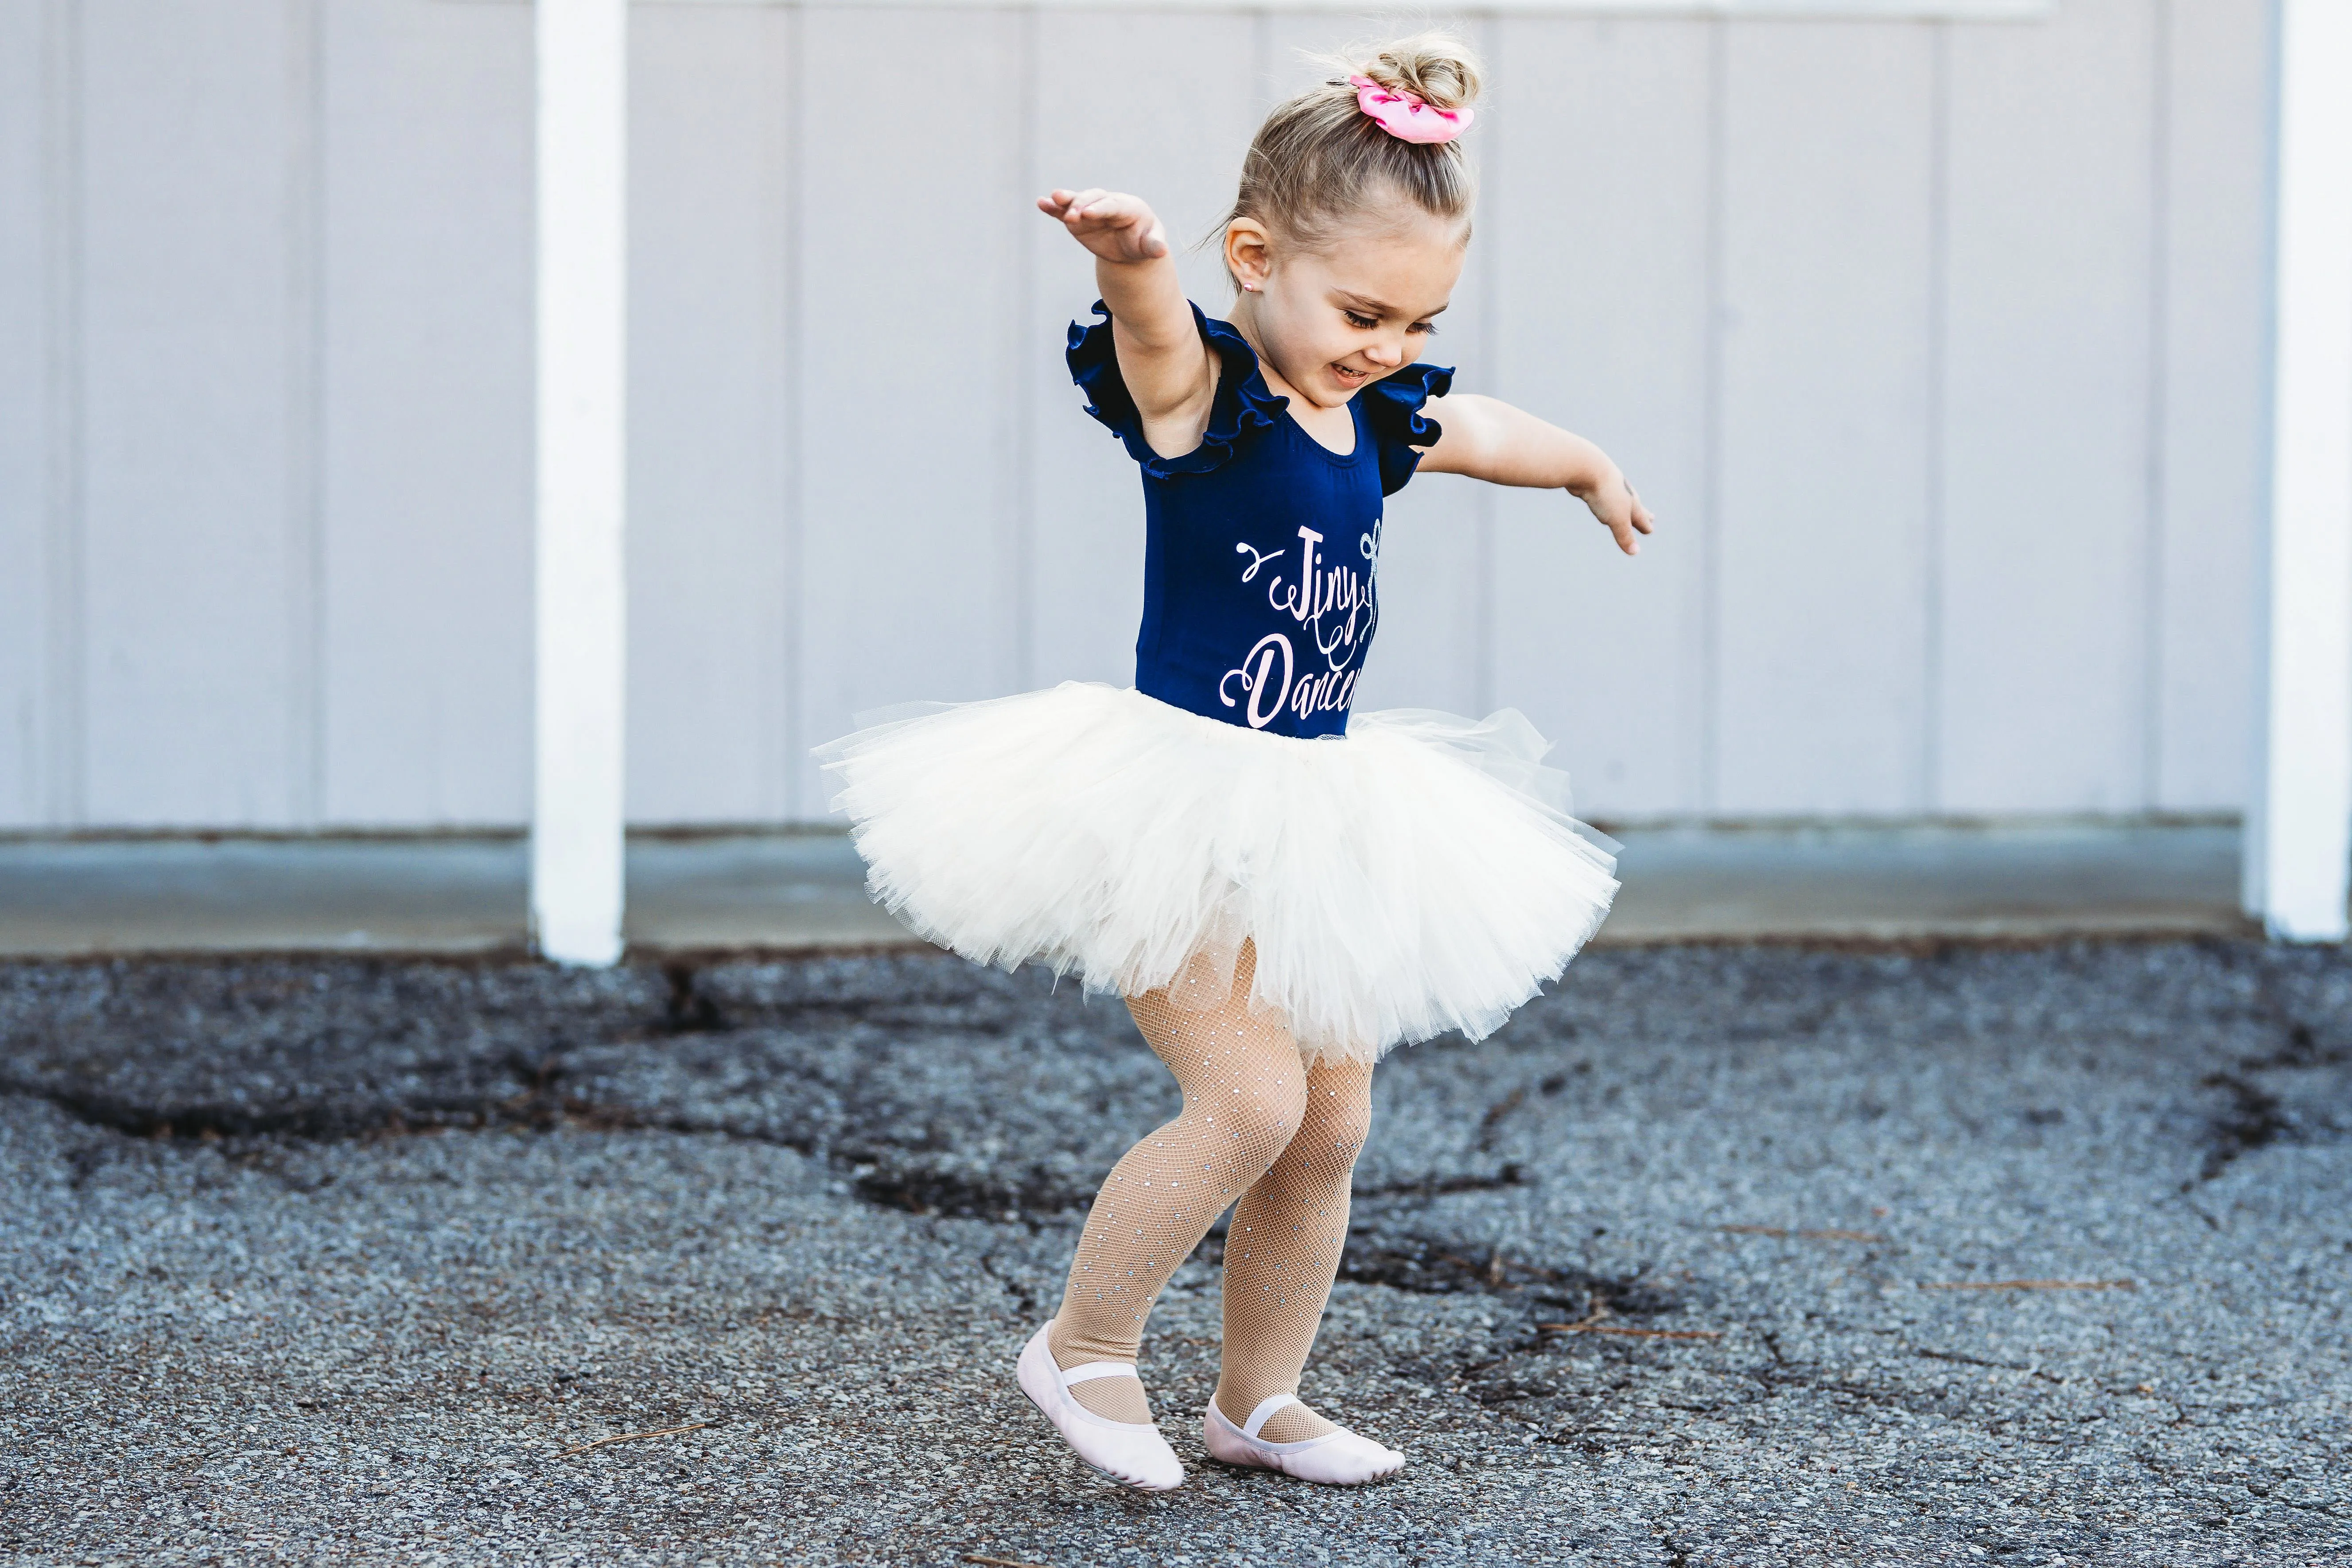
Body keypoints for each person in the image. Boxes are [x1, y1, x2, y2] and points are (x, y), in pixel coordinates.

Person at [818, 32, 1650, 1491]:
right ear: (1255, 258)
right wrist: (1131, 257)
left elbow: (1487, 424)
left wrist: (1579, 462)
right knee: (1249, 1100)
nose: (1389, 343)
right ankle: (1081, 1347)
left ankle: (1259, 1397)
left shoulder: (1372, 411)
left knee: (1330, 1118)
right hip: (1175, 808)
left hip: (1320, 808)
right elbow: (1148, 335)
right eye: (1363, 309)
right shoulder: (1209, 399)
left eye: (1419, 315)